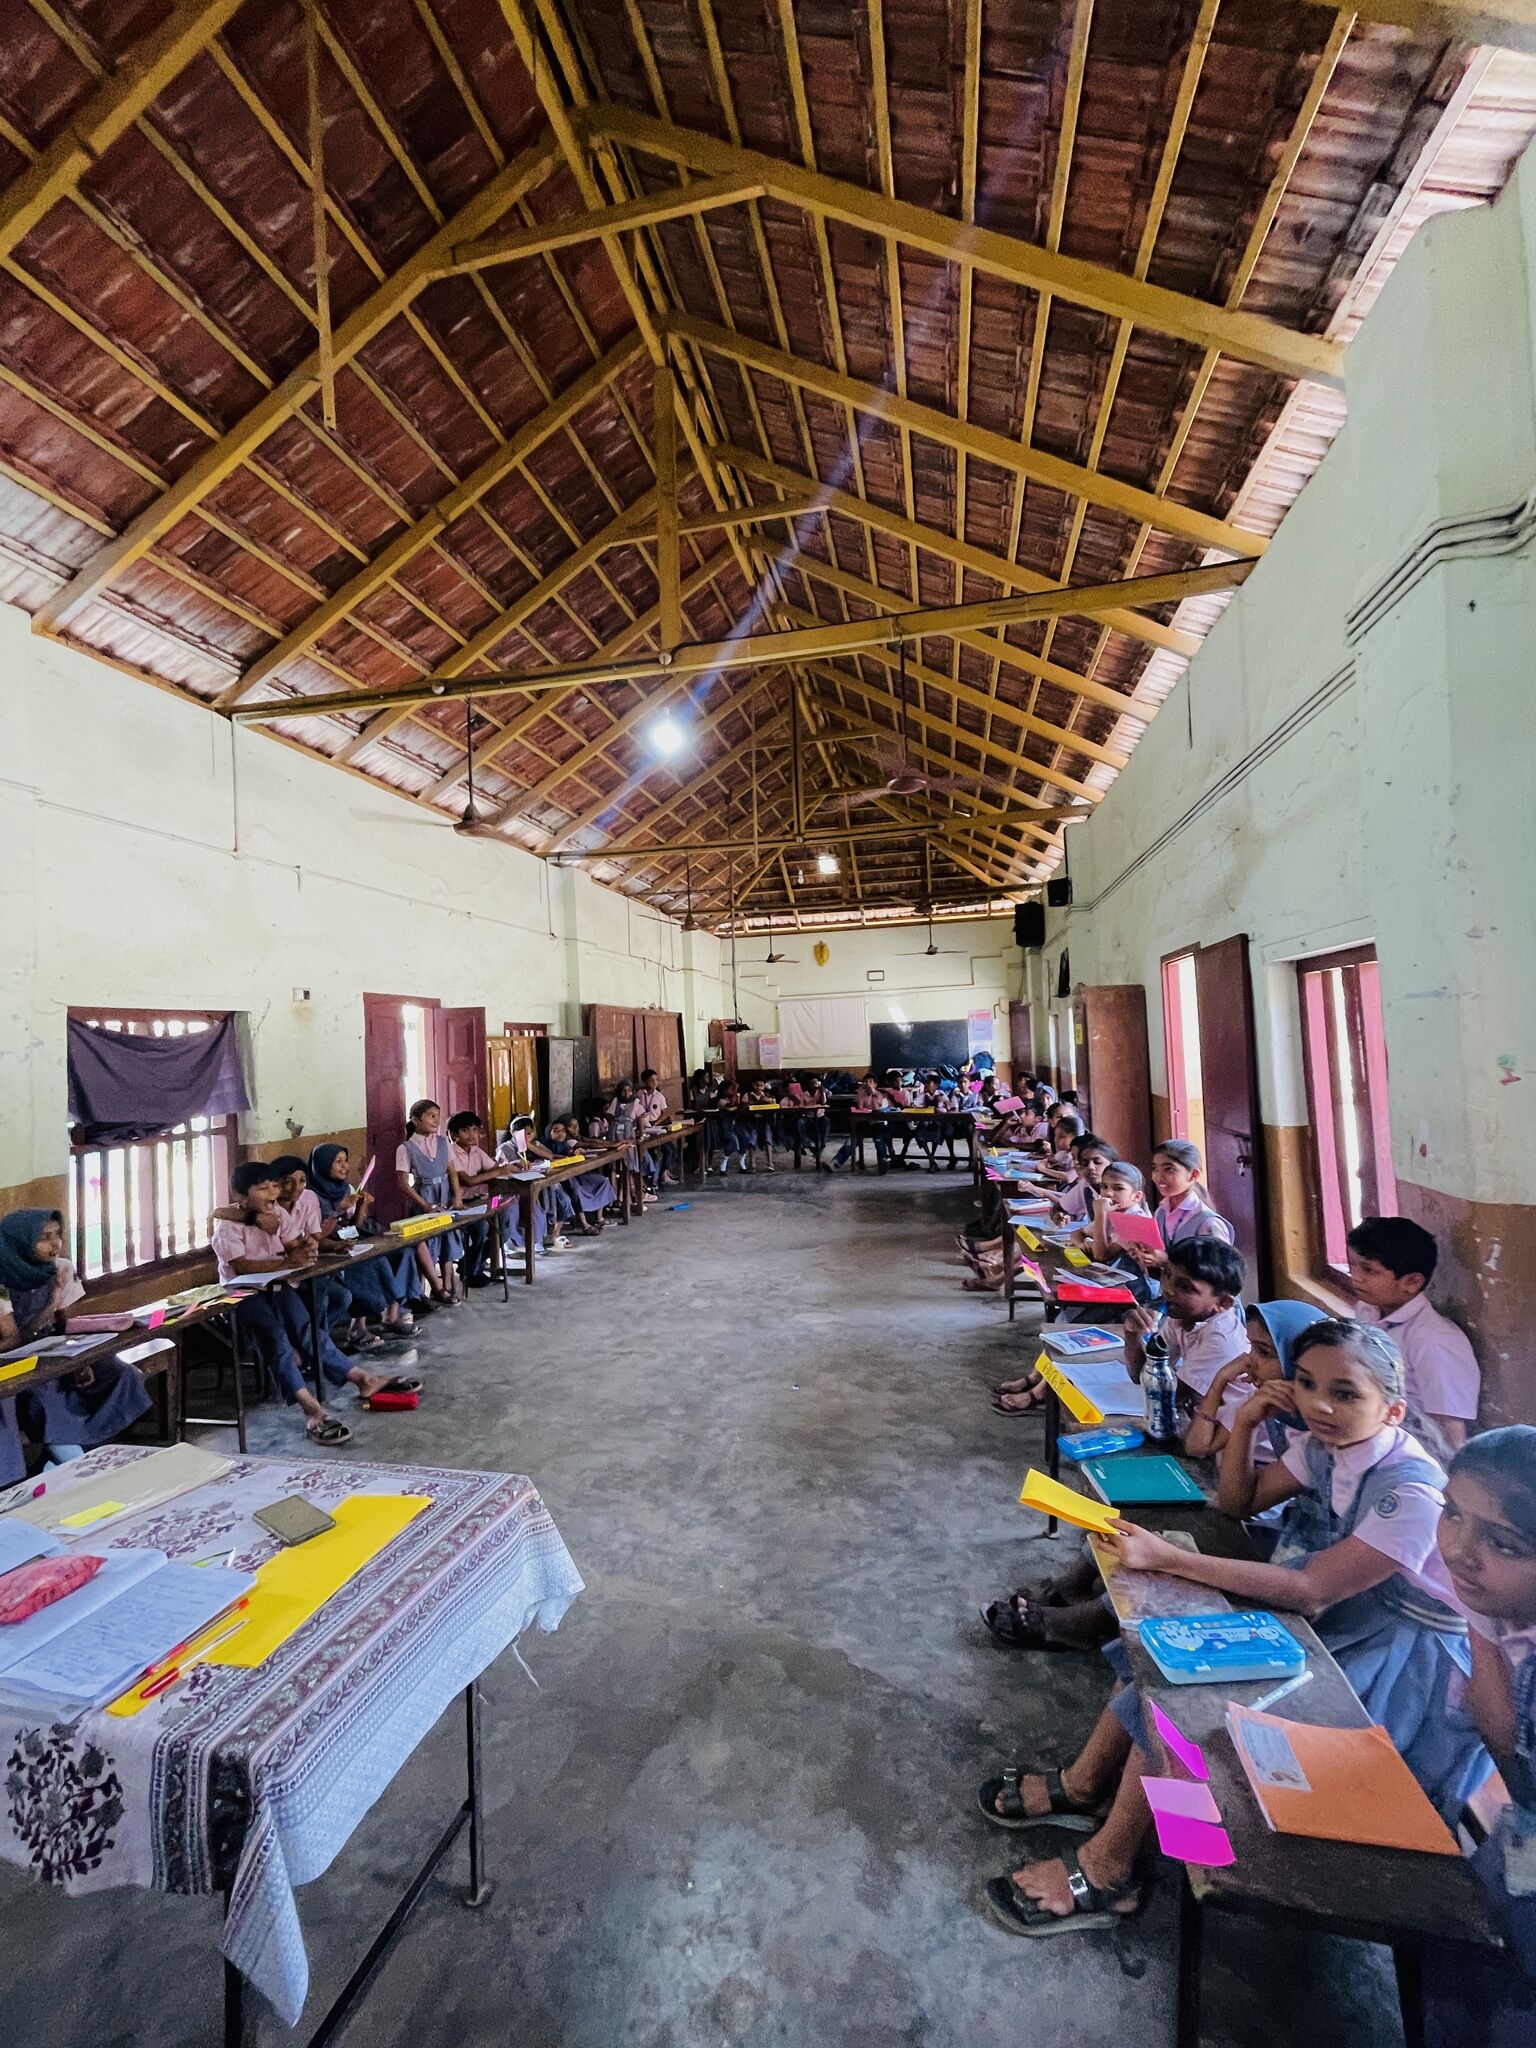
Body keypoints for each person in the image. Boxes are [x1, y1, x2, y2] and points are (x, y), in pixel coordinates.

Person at [980, 1320, 1488, 1936]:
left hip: (1398, 1664)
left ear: (1393, 1409)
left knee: (1195, 1700)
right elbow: (1236, 1503)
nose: (1321, 1405)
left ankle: (1111, 1869)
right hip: (1340, 1621)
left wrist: (1169, 1558)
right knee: (1161, 1648)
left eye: (1345, 1393)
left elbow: (1314, 1590)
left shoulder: (1409, 1491)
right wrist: (1245, 1421)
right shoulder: (1329, 1447)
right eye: (1306, 1384)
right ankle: (1086, 1786)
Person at [1423, 1427, 1536, 2045]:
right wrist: (1481, 1617)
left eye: (1503, 1542)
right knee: (1464, 1959)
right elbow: (1508, 1756)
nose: (1459, 1551)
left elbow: (1518, 1768)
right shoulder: (1505, 1609)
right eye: (1453, 1513)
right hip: (1520, 1834)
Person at [211, 1164, 365, 1445]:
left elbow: (294, 1244)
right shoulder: (227, 1225)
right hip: (242, 1293)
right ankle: (312, 1409)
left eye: (274, 1186)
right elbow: (242, 1266)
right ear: (241, 1196)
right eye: (263, 1188)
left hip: (278, 1286)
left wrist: (307, 1248)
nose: (273, 1192)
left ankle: (360, 1378)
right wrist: (286, 1262)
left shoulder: (278, 1214)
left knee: (308, 1331)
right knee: (276, 1339)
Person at [0, 1208, 153, 1483]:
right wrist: (51, 1301)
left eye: (57, 1234)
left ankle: (69, 1457)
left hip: (56, 1352)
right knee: (46, 1395)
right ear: (20, 1241)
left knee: (122, 1374)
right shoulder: (4, 1277)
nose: (55, 1243)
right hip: (20, 1362)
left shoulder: (60, 1268)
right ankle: (79, 1469)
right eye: (44, 1237)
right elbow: (17, 1340)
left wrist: (80, 1361)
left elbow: (65, 1324)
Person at [1347, 1214, 1481, 1449]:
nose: (1355, 1278)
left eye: (1369, 1270)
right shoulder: (1368, 1309)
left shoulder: (1433, 1341)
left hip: (1408, 1453)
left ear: (1412, 1282)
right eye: (1352, 1265)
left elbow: (1450, 1434)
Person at [305, 1144, 421, 1335]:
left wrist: (361, 1205)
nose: (345, 1166)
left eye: (346, 1160)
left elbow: (354, 1226)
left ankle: (391, 1315)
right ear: (323, 1165)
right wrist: (338, 1210)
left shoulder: (345, 1188)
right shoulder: (310, 1196)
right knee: (375, 1261)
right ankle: (358, 1328)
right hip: (328, 1248)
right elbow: (317, 1236)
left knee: (404, 1252)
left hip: (349, 1239)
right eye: (338, 1162)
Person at [1129, 1139, 1234, 1276]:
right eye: (1155, 1168)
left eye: (1169, 1169)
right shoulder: (1161, 1212)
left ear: (1193, 1175)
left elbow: (1221, 1274)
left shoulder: (1209, 1223)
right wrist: (1145, 1255)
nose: (1158, 1177)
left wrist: (1167, 1261)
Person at [396, 1099, 464, 1303]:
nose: (436, 1121)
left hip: (444, 1195)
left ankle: (447, 1286)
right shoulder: (406, 1148)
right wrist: (424, 1205)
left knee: (447, 1239)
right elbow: (403, 1183)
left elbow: (452, 1172)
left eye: (438, 1116)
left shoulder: (443, 1142)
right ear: (416, 1120)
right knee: (425, 1242)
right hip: (424, 1197)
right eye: (431, 1116)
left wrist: (457, 1197)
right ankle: (426, 1290)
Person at [447, 1110, 507, 1288]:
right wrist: (497, 1171)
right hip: (461, 1203)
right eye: (465, 1130)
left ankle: (471, 1263)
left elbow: (495, 1168)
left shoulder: (476, 1151)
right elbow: (467, 1180)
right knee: (481, 1228)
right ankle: (473, 1272)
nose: (472, 1134)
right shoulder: (451, 1153)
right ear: (454, 1134)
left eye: (474, 1129)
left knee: (504, 1225)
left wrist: (512, 1167)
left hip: (482, 1199)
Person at [635, 1069, 677, 1186]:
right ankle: (660, 1175)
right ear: (645, 1081)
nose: (654, 1082)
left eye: (656, 1079)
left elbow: (665, 1113)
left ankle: (665, 1172)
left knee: (671, 1149)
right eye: (651, 1080)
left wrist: (656, 1123)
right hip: (644, 1126)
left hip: (657, 1126)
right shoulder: (639, 1094)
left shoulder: (659, 1096)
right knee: (658, 1151)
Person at [745, 1077, 779, 1173]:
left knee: (768, 1140)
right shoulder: (748, 1095)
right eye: (757, 1085)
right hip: (753, 1121)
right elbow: (744, 1106)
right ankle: (752, 1165)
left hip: (765, 1120)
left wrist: (769, 1101)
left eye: (761, 1085)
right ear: (753, 1085)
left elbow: (774, 1104)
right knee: (752, 1141)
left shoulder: (767, 1095)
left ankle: (770, 1164)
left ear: (764, 1086)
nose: (759, 1088)